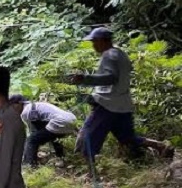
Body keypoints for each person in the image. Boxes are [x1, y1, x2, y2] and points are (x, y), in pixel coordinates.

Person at [68, 27, 173, 160]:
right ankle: (160, 146)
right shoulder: (120, 54)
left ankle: (90, 174)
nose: (93, 45)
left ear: (102, 41)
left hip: (107, 106)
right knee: (127, 138)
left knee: (88, 137)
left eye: (94, 41)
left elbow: (111, 78)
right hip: (123, 105)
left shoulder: (108, 55)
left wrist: (85, 79)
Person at [8, 95, 77, 167]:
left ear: (19, 103)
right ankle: (61, 158)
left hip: (60, 121)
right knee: (53, 137)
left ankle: (29, 164)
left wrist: (29, 150)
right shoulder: (35, 105)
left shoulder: (26, 111)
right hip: (71, 119)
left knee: (31, 140)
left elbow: (34, 131)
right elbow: (41, 128)